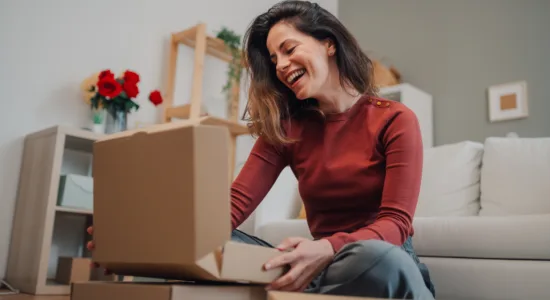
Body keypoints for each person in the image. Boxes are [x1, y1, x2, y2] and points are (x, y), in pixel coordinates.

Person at [88, 1, 436, 299]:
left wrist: (328, 248)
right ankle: (303, 289)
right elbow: (233, 205)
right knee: (215, 242)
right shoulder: (287, 129)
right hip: (317, 269)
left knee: (375, 257)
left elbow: (396, 223)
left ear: (328, 44)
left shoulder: (395, 119)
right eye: (273, 59)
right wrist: (145, 243)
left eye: (288, 49)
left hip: (377, 262)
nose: (280, 65)